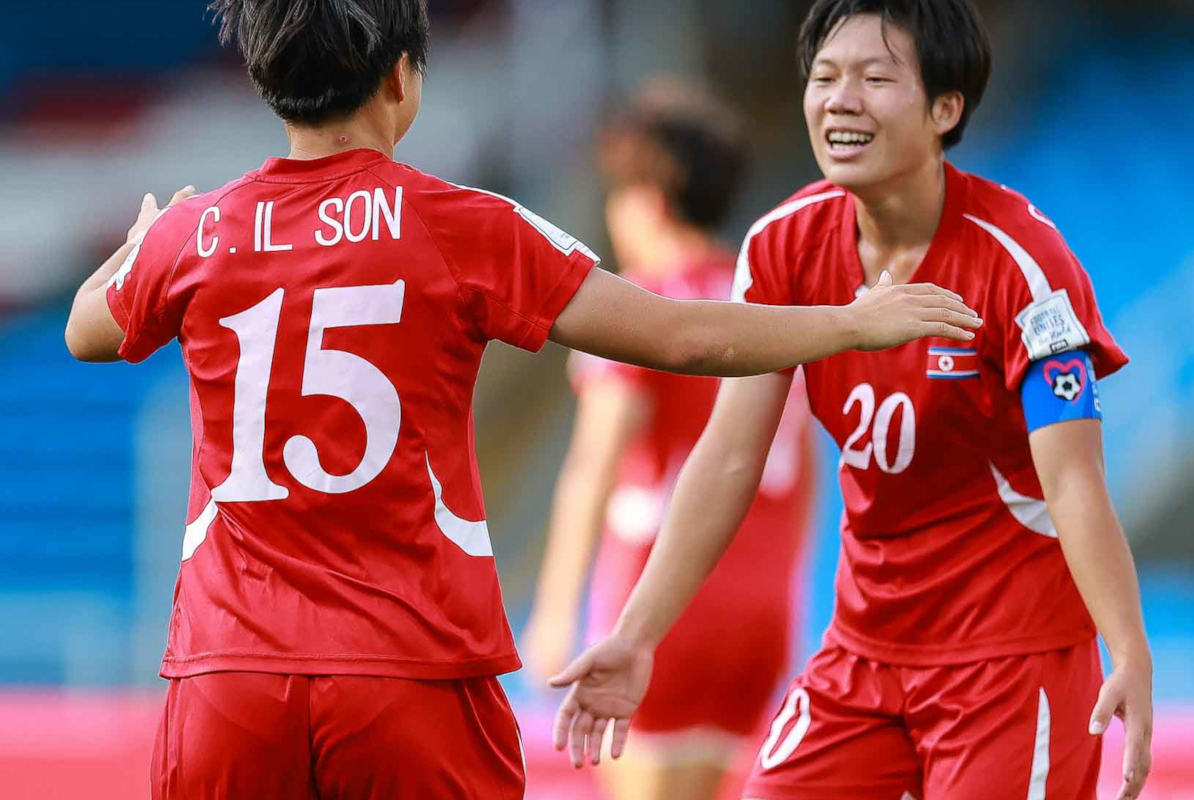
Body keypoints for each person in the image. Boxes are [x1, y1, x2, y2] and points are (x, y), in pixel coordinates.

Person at [61, 1, 980, 798]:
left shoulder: (194, 231)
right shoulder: (468, 225)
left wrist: (136, 242)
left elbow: (85, 330)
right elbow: (681, 335)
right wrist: (855, 323)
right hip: (411, 675)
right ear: (401, 78)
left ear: (264, 78)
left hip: (230, 680)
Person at [549, 2, 1154, 800]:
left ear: (946, 108)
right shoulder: (779, 247)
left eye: (875, 77)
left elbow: (1074, 479)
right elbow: (730, 454)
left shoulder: (1025, 265)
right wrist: (635, 635)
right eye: (825, 77)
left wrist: (1130, 650)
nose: (840, 99)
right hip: (862, 650)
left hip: (1010, 659)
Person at [522, 82, 818, 800]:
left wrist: (555, 610)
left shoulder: (642, 308)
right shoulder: (767, 308)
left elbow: (593, 467)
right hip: (762, 609)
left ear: (647, 198)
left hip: (656, 599)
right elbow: (806, 467)